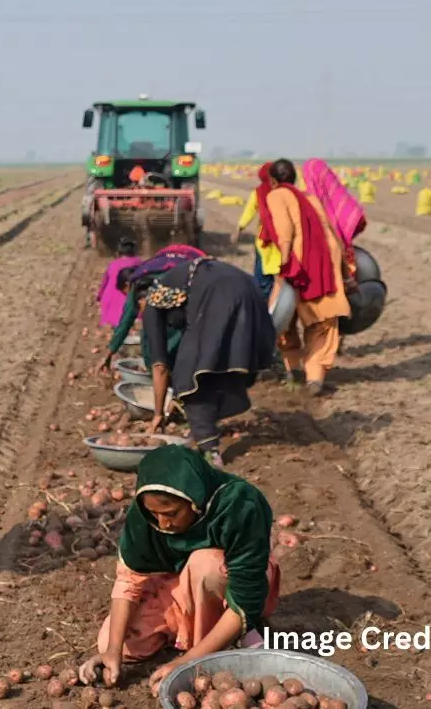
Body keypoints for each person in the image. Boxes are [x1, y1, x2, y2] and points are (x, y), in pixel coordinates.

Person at [78, 446, 282, 697]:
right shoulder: (144, 516)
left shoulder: (240, 505)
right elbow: (129, 579)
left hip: (228, 583)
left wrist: (186, 662)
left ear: (194, 499)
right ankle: (189, 631)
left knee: (206, 565)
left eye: (171, 513)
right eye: (154, 513)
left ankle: (227, 635)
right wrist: (112, 650)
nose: (163, 524)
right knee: (115, 640)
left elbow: (246, 595)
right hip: (177, 583)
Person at [140, 257, 278, 465]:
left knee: (187, 376)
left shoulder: (152, 304)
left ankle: (209, 450)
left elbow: (160, 366)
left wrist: (158, 414)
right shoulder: (177, 284)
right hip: (250, 290)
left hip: (220, 296)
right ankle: (207, 424)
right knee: (215, 365)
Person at [257, 159, 349, 396]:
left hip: (298, 267)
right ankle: (314, 378)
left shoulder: (276, 196)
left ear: (274, 181)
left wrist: (285, 265)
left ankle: (294, 370)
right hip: (324, 266)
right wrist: (346, 273)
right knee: (323, 324)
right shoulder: (312, 199)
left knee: (283, 319)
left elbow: (285, 232)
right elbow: (333, 235)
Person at [95, 244, 207, 376]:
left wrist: (109, 353)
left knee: (155, 335)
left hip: (188, 282)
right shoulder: (149, 269)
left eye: (125, 293)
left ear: (127, 285)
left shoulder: (137, 284)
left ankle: (160, 373)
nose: (127, 297)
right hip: (199, 280)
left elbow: (126, 320)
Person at [232, 163, 281, 302]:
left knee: (262, 279)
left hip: (264, 241)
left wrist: (239, 228)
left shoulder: (258, 193)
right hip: (282, 240)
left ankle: (263, 307)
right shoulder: (285, 192)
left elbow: (249, 212)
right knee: (280, 279)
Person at [94, 239, 142, 330]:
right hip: (129, 301)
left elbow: (104, 283)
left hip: (109, 301)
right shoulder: (139, 263)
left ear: (119, 253)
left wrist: (99, 297)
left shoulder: (112, 264)